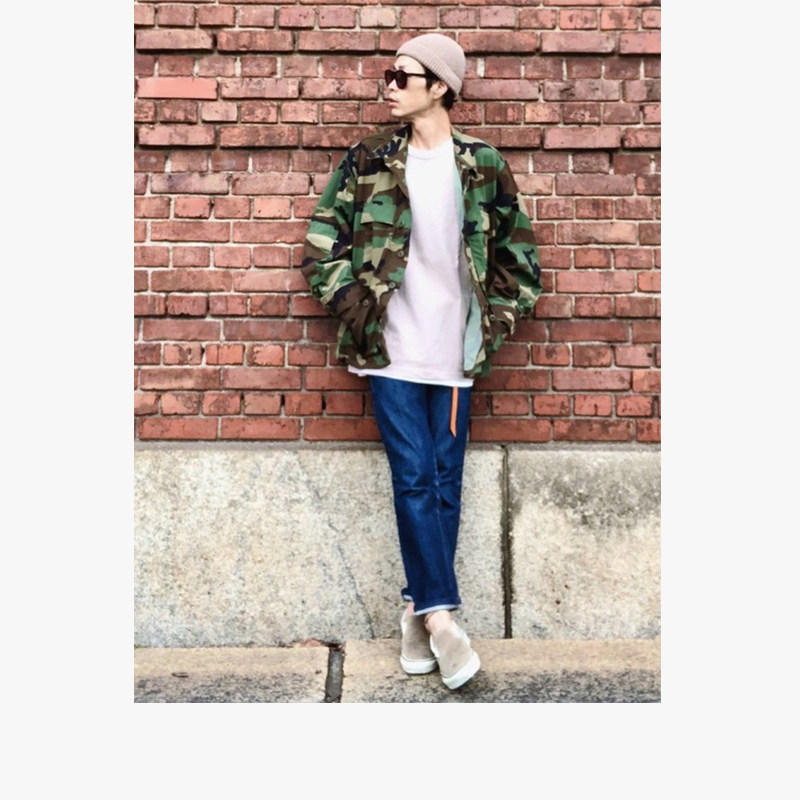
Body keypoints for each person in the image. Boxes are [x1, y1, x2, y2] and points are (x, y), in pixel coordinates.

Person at [301, 33, 542, 690]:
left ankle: (415, 610)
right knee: (413, 477)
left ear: (440, 87)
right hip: (391, 350)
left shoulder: (482, 165)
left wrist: (496, 321)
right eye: (389, 74)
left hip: (455, 353)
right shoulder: (370, 159)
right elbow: (321, 246)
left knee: (444, 483)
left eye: (402, 76)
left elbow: (521, 262)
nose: (389, 85)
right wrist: (356, 307)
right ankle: (441, 618)